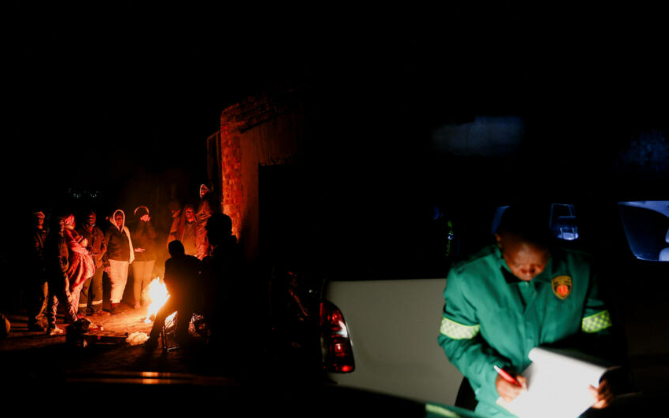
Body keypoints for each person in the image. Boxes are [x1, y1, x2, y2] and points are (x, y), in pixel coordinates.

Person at [437, 204, 617, 417]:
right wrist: (493, 377)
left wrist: (601, 380)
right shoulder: (468, 278)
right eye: (518, 264)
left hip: (568, 403)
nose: (529, 272)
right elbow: (455, 342)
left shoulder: (580, 269)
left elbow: (601, 337)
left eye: (539, 264)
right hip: (500, 407)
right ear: (499, 240)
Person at [201, 213, 246, 353]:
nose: (207, 235)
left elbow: (221, 285)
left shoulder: (228, 254)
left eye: (210, 230)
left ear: (219, 231)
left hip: (224, 314)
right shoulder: (225, 251)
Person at [145, 240, 202, 350]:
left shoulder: (171, 262)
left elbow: (167, 280)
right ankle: (178, 336)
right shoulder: (191, 260)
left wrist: (173, 291)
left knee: (162, 315)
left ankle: (153, 339)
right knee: (176, 318)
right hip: (186, 298)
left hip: (182, 298)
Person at [43, 215, 78, 335]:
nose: (61, 226)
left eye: (62, 223)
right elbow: (58, 257)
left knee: (53, 300)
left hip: (51, 273)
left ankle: (52, 326)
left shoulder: (50, 237)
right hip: (58, 273)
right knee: (67, 300)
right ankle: (75, 324)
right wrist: (62, 273)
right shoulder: (58, 238)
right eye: (59, 224)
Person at [62, 214, 95, 319]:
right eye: (73, 221)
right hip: (74, 265)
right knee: (73, 288)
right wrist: (86, 251)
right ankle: (70, 314)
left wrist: (88, 247)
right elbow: (74, 246)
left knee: (76, 288)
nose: (75, 223)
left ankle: (73, 313)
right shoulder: (66, 232)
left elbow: (83, 243)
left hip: (79, 265)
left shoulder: (72, 231)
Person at [77, 210, 107, 316]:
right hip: (86, 264)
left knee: (97, 287)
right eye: (89, 217)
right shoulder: (80, 231)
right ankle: (81, 311)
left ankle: (97, 310)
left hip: (98, 264)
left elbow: (104, 243)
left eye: (92, 218)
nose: (91, 219)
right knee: (84, 287)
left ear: (95, 219)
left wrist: (102, 253)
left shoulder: (98, 231)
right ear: (86, 218)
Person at [103, 209, 134, 314]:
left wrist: (132, 253)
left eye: (120, 218)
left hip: (124, 260)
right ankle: (114, 306)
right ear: (112, 219)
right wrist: (106, 263)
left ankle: (116, 303)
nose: (118, 220)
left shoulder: (125, 230)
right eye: (116, 218)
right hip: (113, 260)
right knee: (116, 283)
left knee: (123, 282)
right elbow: (104, 247)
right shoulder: (110, 231)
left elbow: (128, 244)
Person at [130, 206, 157, 309]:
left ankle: (145, 300)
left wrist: (148, 223)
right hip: (138, 257)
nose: (145, 217)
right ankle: (137, 301)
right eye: (142, 215)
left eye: (146, 215)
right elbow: (136, 236)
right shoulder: (133, 224)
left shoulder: (151, 223)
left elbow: (153, 235)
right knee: (138, 279)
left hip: (150, 256)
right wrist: (141, 223)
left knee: (147, 279)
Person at [26, 211, 49, 331]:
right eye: (37, 217)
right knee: (39, 296)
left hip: (44, 267)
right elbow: (35, 251)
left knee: (45, 295)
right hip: (37, 268)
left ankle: (41, 319)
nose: (40, 219)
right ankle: (35, 321)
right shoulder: (32, 233)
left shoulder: (44, 232)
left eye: (41, 217)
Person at [195, 184, 215, 259]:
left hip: (204, 232)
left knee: (203, 253)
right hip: (200, 232)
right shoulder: (202, 202)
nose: (202, 191)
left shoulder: (206, 202)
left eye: (204, 189)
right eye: (201, 189)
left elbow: (210, 215)